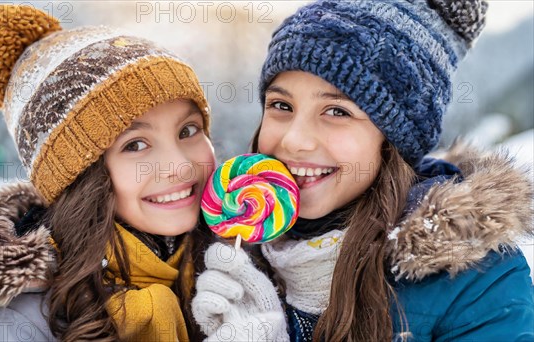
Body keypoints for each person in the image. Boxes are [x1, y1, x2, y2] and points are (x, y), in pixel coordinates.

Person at [192, 0, 534, 341]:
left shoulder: (479, 280)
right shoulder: (228, 254)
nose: (295, 140)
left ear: (395, 139)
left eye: (337, 111)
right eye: (282, 105)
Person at [0, 4, 215, 341]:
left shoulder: (239, 266)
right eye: (135, 145)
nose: (180, 166)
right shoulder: (22, 326)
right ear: (79, 178)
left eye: (188, 130)